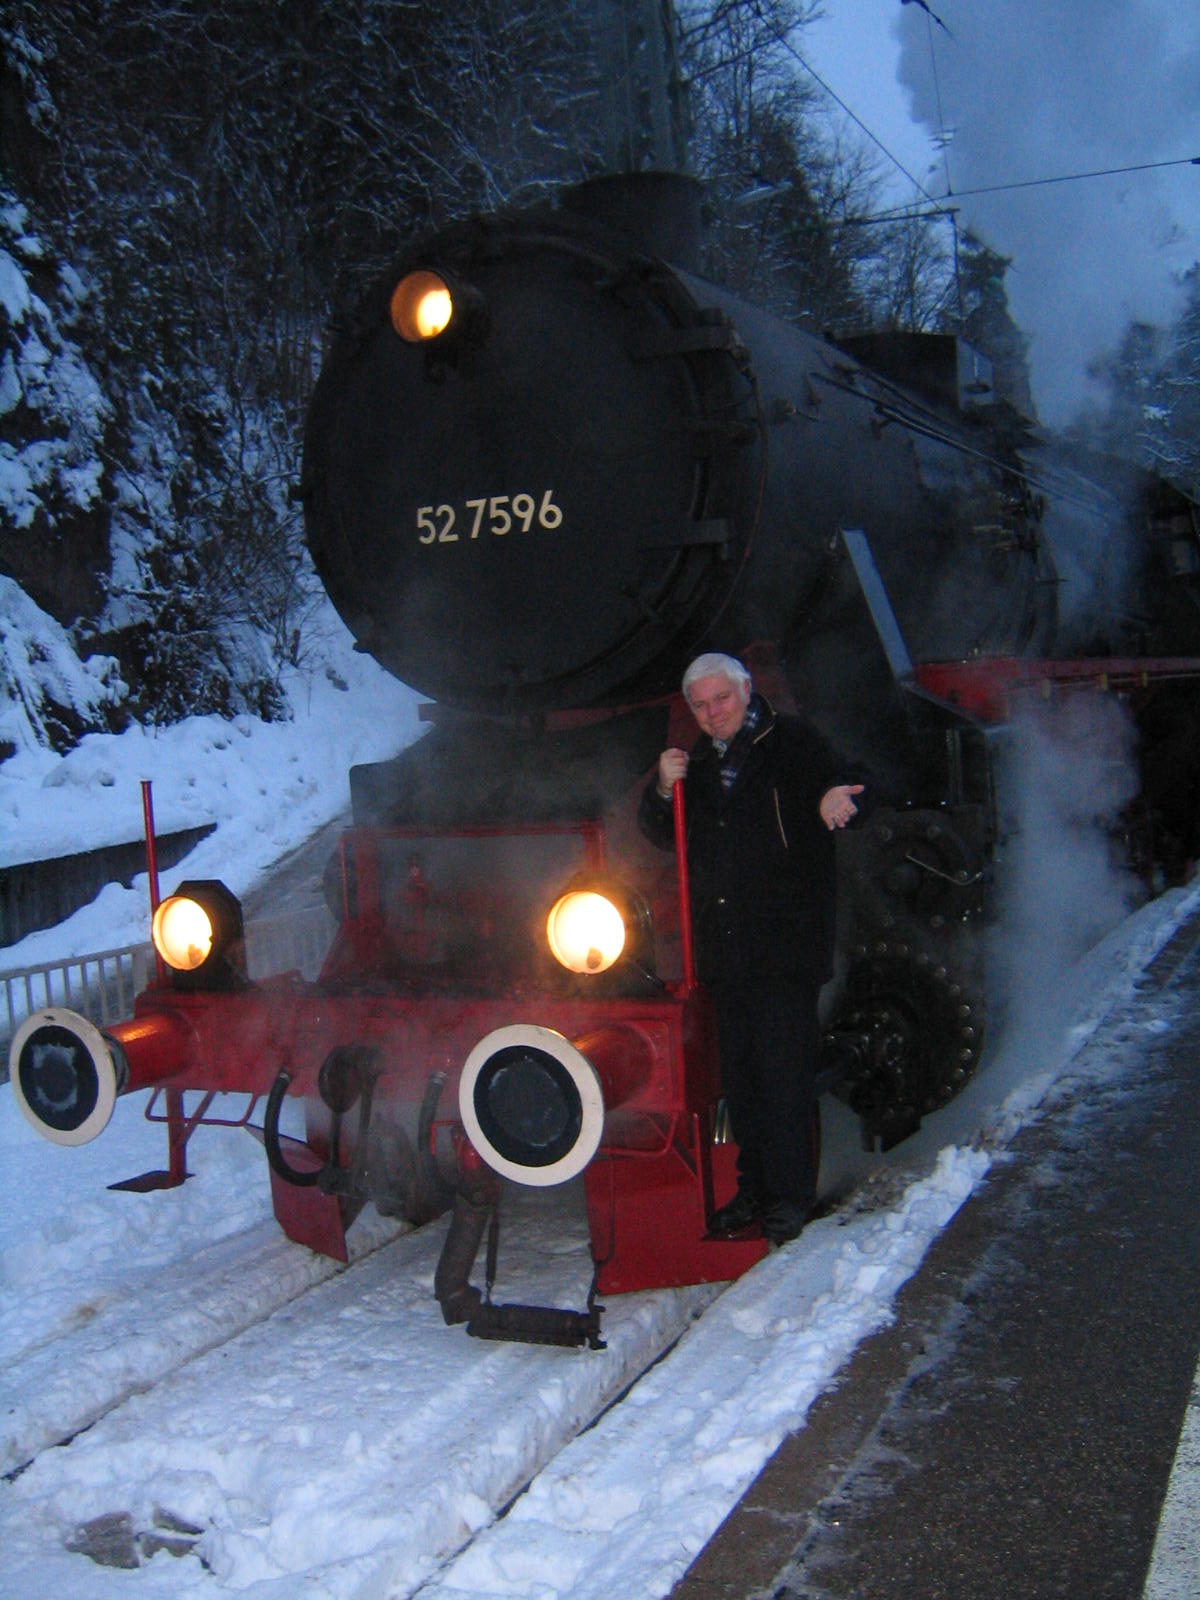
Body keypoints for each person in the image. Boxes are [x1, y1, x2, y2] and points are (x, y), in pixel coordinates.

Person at [638, 652, 868, 1244]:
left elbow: (851, 783)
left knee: (784, 1076)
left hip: (785, 945)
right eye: (701, 704)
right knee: (741, 1080)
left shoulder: (791, 741)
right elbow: (663, 832)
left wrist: (834, 800)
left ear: (746, 691)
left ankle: (791, 1196)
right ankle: (755, 1189)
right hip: (725, 950)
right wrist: (664, 789)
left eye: (722, 699)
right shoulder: (697, 765)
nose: (713, 713)